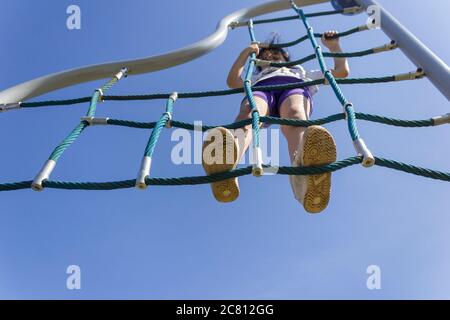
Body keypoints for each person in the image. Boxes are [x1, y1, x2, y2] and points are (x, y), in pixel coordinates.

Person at [202, 31, 350, 213]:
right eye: (264, 55)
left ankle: (306, 172)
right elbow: (232, 81)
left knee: (295, 115)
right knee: (249, 113)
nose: (269, 56)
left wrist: (334, 47)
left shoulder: (300, 71)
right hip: (263, 88)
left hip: (293, 87)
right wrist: (246, 52)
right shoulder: (255, 77)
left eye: (274, 54)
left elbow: (341, 72)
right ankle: (227, 161)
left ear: (285, 57)